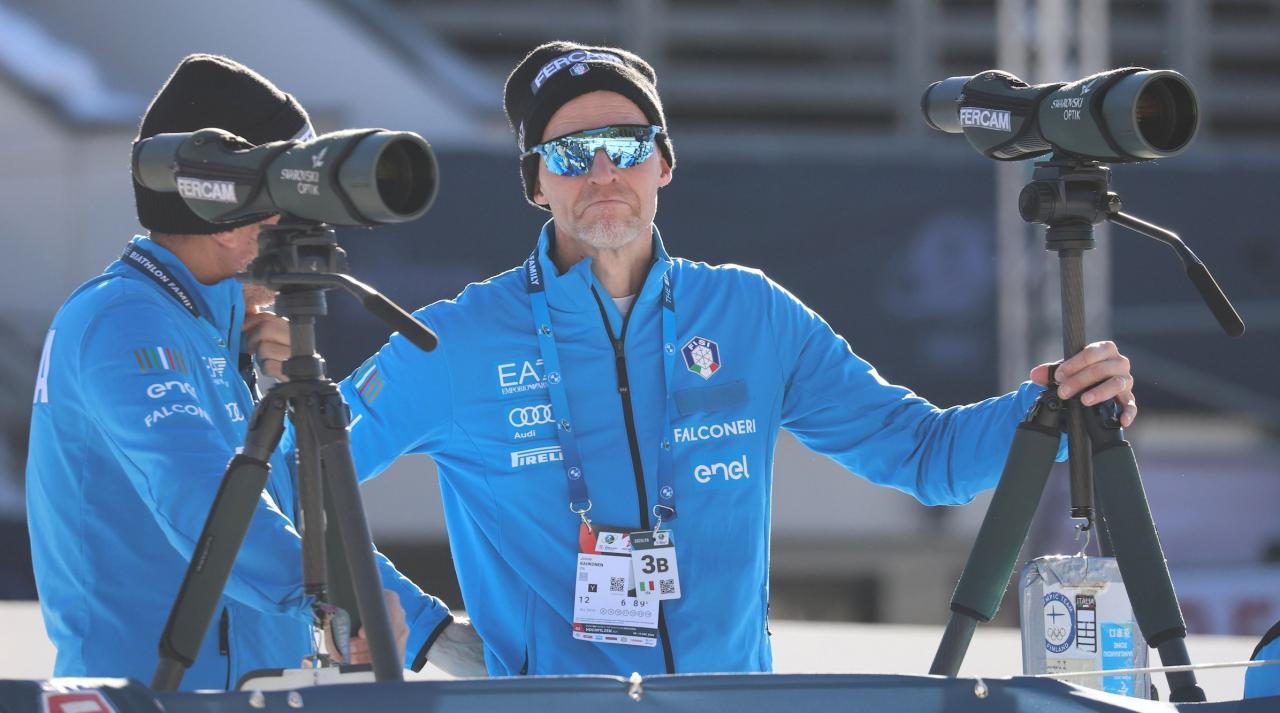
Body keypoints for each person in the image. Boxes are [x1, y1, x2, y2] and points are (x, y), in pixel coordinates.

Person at [340, 41, 1138, 677]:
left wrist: (1052, 410)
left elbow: (927, 457)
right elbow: (291, 482)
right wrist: (422, 631)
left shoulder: (750, 313)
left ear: (664, 163)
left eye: (626, 142)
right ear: (536, 182)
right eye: (572, 152)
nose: (604, 172)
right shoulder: (454, 339)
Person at [24, 54, 482, 690]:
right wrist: (332, 603)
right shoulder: (122, 318)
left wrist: (430, 632)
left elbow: (300, 524)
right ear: (216, 193)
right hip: (155, 695)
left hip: (258, 692)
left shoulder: (223, 331)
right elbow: (197, 492)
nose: (294, 212)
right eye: (278, 184)